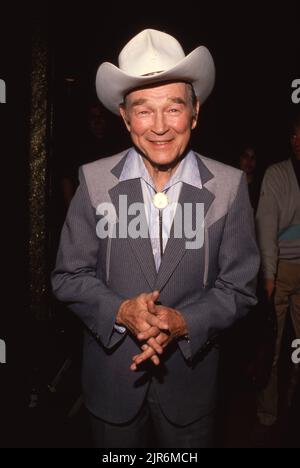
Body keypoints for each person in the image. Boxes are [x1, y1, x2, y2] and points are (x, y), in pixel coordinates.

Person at [51, 29, 260, 448]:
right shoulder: (93, 182)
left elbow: (239, 287)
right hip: (111, 388)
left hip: (191, 391)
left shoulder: (229, 187)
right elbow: (68, 277)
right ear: (125, 117)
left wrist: (184, 321)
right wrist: (120, 310)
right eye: (144, 111)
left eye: (174, 108)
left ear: (195, 112)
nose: (160, 127)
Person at [255, 114, 300, 429]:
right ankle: (266, 413)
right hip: (280, 271)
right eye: (295, 135)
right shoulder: (276, 174)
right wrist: (268, 278)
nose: (298, 141)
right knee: (271, 348)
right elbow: (266, 229)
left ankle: (293, 406)